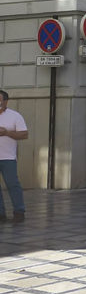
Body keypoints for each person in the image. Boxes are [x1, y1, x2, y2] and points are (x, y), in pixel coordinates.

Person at [0, 90, 29, 224]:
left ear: (6, 101)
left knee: (12, 184)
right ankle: (1, 214)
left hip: (8, 158)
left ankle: (19, 211)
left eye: (0, 100)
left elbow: (24, 135)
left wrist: (7, 133)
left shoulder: (15, 116)